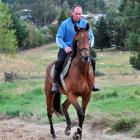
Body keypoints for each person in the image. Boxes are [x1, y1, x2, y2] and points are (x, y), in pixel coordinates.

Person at [51, 4, 99, 93]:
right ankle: (55, 83)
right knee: (60, 62)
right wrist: (65, 47)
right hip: (67, 49)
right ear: (72, 13)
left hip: (81, 49)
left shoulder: (85, 23)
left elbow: (91, 36)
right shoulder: (64, 24)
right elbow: (59, 37)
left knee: (92, 60)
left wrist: (89, 46)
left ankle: (92, 83)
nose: (78, 15)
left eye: (80, 13)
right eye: (76, 13)